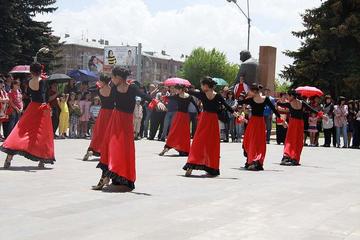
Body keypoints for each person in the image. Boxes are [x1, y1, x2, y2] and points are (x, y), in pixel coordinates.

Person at [93, 67, 165, 191]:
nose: (111, 79)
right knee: (109, 147)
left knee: (123, 150)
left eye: (113, 77)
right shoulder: (114, 88)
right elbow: (109, 102)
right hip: (115, 120)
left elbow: (144, 95)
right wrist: (101, 91)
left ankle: (120, 176)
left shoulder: (132, 88)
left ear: (119, 78)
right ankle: (104, 177)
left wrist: (156, 102)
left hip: (126, 122)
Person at [0, 63, 55, 168]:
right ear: (41, 71)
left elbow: (30, 94)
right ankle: (42, 160)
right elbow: (44, 97)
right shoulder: (42, 81)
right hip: (41, 109)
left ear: (31, 71)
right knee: (42, 133)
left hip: (31, 107)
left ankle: (9, 156)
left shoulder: (28, 82)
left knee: (21, 131)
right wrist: (48, 109)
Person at [182, 77, 237, 177]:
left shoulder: (202, 94)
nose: (201, 87)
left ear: (206, 85)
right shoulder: (218, 96)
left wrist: (184, 88)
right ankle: (211, 167)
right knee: (212, 144)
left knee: (198, 141)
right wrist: (235, 113)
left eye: (202, 85)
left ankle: (191, 164)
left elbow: (190, 92)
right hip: (213, 121)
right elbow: (227, 106)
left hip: (204, 119)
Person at [238, 84, 280, 171]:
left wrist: (246, 96)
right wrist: (281, 119)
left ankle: (252, 161)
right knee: (259, 141)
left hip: (253, 122)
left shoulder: (251, 99)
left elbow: (239, 102)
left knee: (251, 141)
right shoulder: (265, 99)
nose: (249, 92)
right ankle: (255, 161)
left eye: (250, 91)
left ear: (254, 91)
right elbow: (274, 110)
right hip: (260, 122)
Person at [277, 90, 320, 166]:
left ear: (292, 96)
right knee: (298, 140)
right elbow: (312, 110)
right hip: (300, 123)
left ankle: (286, 156)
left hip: (293, 123)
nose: (287, 97)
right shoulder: (302, 103)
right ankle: (295, 158)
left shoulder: (289, 103)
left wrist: (278, 101)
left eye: (288, 96)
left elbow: (278, 104)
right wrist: (321, 115)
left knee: (290, 139)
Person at [159, 84, 199, 157]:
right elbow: (196, 106)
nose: (176, 91)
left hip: (180, 116)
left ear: (181, 89)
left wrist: (163, 97)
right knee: (180, 132)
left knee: (177, 132)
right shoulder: (188, 97)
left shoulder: (178, 96)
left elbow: (169, 97)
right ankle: (170, 147)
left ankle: (180, 149)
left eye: (177, 89)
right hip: (184, 116)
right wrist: (199, 113)